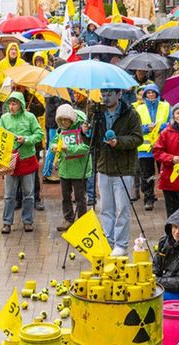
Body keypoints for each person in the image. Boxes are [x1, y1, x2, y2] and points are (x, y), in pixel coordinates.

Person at [86, 89, 142, 256]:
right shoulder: (98, 114)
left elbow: (138, 138)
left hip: (124, 168)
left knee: (122, 209)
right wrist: (85, 133)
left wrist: (119, 142)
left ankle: (121, 244)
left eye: (110, 94)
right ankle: (107, 241)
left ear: (119, 95)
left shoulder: (131, 114)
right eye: (104, 94)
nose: (106, 97)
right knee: (106, 208)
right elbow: (93, 142)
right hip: (104, 167)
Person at [0, 92, 44, 234]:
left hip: (27, 159)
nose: (12, 107)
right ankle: (7, 222)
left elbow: (39, 134)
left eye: (15, 103)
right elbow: (1, 137)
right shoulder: (4, 118)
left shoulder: (30, 117)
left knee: (28, 193)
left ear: (21, 104)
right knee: (9, 194)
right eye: (10, 104)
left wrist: (27, 139)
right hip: (11, 160)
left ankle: (28, 221)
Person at [52, 103, 91, 230]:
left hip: (79, 170)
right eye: (61, 120)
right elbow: (54, 141)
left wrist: (67, 148)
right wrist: (53, 147)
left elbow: (85, 147)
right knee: (66, 197)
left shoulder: (82, 129)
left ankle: (83, 221)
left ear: (71, 119)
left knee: (80, 198)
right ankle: (68, 219)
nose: (63, 122)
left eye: (66, 119)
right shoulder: (61, 131)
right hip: (65, 169)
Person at [134, 84, 170, 213]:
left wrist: (160, 127)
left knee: (165, 173)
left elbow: (171, 123)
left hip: (162, 146)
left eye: (152, 92)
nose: (150, 95)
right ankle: (148, 198)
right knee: (146, 175)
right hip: (145, 149)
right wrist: (145, 128)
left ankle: (168, 196)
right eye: (148, 93)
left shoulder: (165, 106)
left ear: (157, 93)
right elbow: (135, 126)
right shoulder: (139, 109)